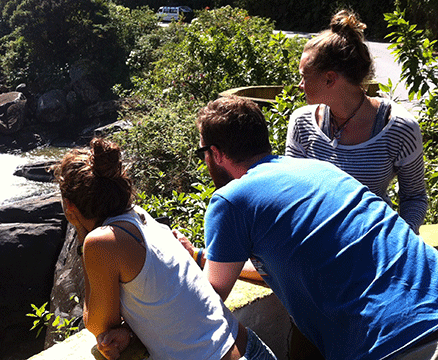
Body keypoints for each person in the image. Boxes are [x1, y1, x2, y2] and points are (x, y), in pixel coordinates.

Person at [177, 95, 438, 360]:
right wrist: (200, 256)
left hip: (394, 343)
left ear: (216, 153)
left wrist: (169, 264)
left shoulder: (231, 200)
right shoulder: (321, 169)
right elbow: (287, 264)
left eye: (203, 153)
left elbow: (208, 298)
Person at [51, 138, 277, 360]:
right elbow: (163, 301)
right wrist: (130, 332)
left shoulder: (101, 242)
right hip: (253, 348)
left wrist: (82, 237)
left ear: (70, 206)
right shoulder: (141, 217)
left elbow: (98, 325)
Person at [285, 9, 427, 234]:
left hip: (375, 245)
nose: (299, 85)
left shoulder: (399, 127)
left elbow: (415, 197)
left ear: (330, 79)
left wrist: (399, 242)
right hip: (317, 247)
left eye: (304, 76)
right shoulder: (301, 123)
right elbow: (292, 193)